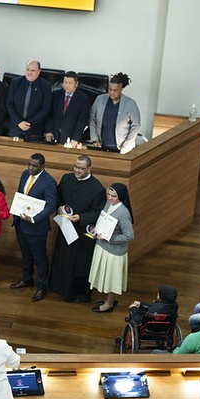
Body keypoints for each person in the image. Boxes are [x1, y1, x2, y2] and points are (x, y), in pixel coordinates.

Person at [48, 155, 106, 302]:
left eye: (81, 168)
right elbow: (58, 196)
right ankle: (58, 287)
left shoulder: (97, 188)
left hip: (81, 233)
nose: (77, 170)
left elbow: (98, 211)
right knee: (62, 258)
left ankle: (75, 293)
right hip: (65, 228)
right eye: (75, 167)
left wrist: (81, 217)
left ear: (89, 169)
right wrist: (59, 208)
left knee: (77, 263)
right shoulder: (67, 178)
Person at [10, 153, 57, 302]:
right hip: (21, 223)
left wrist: (34, 218)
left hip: (36, 227)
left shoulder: (49, 182)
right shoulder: (25, 174)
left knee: (40, 258)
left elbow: (51, 206)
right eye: (29, 164)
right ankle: (27, 278)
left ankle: (42, 287)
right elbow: (20, 194)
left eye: (34, 166)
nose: (30, 168)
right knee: (26, 254)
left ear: (42, 167)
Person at [89, 182, 135, 313]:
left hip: (113, 252)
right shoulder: (109, 204)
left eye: (113, 196)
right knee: (108, 276)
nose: (109, 198)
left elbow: (129, 235)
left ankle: (108, 304)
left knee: (110, 278)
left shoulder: (123, 213)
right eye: (108, 194)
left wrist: (110, 238)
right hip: (103, 246)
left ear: (120, 196)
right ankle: (112, 299)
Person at [89, 72, 141, 154]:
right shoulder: (100, 99)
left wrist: (127, 144)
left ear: (121, 89)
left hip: (122, 148)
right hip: (101, 146)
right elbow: (92, 118)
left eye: (115, 90)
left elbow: (136, 125)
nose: (112, 93)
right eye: (110, 89)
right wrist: (95, 138)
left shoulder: (130, 103)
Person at [6, 59, 52, 140]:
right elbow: (9, 104)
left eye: (33, 70)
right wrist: (19, 122)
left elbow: (45, 108)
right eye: (27, 69)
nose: (29, 73)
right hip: (16, 127)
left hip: (34, 129)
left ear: (39, 71)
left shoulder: (46, 86)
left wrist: (29, 123)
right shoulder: (15, 82)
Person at [45, 71, 90, 147]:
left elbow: (81, 121)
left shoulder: (83, 99)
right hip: (54, 137)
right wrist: (48, 131)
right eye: (65, 82)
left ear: (76, 84)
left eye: (70, 83)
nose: (67, 85)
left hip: (71, 139)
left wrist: (75, 138)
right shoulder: (56, 95)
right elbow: (50, 115)